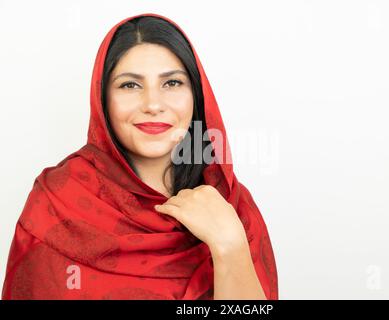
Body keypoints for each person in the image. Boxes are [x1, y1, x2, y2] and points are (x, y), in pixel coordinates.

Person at [1, 13, 278, 300]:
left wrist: (229, 249)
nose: (153, 104)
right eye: (130, 85)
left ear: (197, 94)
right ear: (102, 99)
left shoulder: (231, 204)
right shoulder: (59, 202)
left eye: (172, 83)